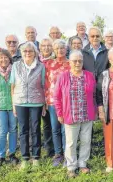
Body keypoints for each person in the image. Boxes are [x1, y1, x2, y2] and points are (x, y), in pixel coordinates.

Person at [54, 50, 97, 178]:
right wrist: (59, 113)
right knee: (71, 142)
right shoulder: (63, 76)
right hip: (70, 115)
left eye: (80, 61)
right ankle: (71, 166)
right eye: (75, 61)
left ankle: (82, 163)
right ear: (69, 62)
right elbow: (56, 97)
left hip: (86, 114)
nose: (77, 63)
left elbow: (94, 95)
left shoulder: (89, 75)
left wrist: (95, 110)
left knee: (85, 140)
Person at [10, 41, 46, 170]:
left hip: (36, 101)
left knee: (36, 129)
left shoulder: (41, 67)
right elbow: (12, 85)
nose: (27, 53)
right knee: (23, 130)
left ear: (35, 53)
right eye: (25, 51)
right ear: (21, 53)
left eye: (30, 51)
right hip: (19, 101)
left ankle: (36, 157)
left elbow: (43, 86)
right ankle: (25, 158)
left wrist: (44, 104)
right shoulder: (15, 66)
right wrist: (14, 104)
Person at [45, 39, 71, 167]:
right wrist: (45, 100)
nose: (59, 51)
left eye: (62, 48)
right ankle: (58, 154)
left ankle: (68, 155)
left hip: (67, 101)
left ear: (66, 49)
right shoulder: (49, 64)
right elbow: (45, 83)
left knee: (65, 129)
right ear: (53, 50)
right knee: (55, 128)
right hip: (52, 101)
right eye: (57, 49)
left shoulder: (71, 64)